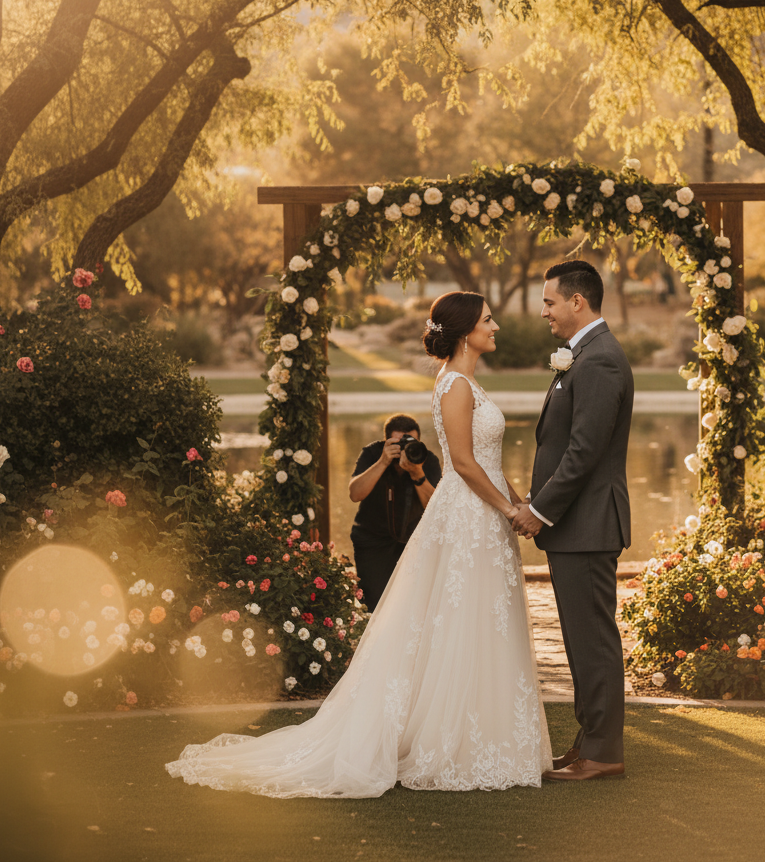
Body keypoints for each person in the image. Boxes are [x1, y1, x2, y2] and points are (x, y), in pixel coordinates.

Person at [166, 291, 551, 797]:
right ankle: (453, 742)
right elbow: (461, 461)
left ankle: (481, 735)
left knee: (481, 620)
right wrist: (507, 510)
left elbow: (489, 464)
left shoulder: (469, 380)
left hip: (487, 515)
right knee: (462, 619)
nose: (496, 325)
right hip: (469, 516)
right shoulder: (455, 384)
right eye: (488, 319)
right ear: (463, 332)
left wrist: (521, 505)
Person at [512, 259, 634, 782]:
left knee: (593, 640)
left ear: (577, 302)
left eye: (549, 302)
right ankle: (589, 742)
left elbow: (584, 451)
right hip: (575, 527)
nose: (544, 312)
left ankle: (604, 752)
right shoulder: (583, 355)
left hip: (585, 525)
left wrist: (539, 511)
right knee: (582, 638)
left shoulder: (600, 360)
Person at [348, 414, 442, 612]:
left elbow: (437, 508)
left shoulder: (426, 459)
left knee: (412, 606)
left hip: (413, 543)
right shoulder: (374, 453)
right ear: (386, 441)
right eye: (399, 443)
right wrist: (383, 462)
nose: (405, 448)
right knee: (374, 606)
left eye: (411, 442)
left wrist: (417, 474)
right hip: (372, 542)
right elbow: (355, 493)